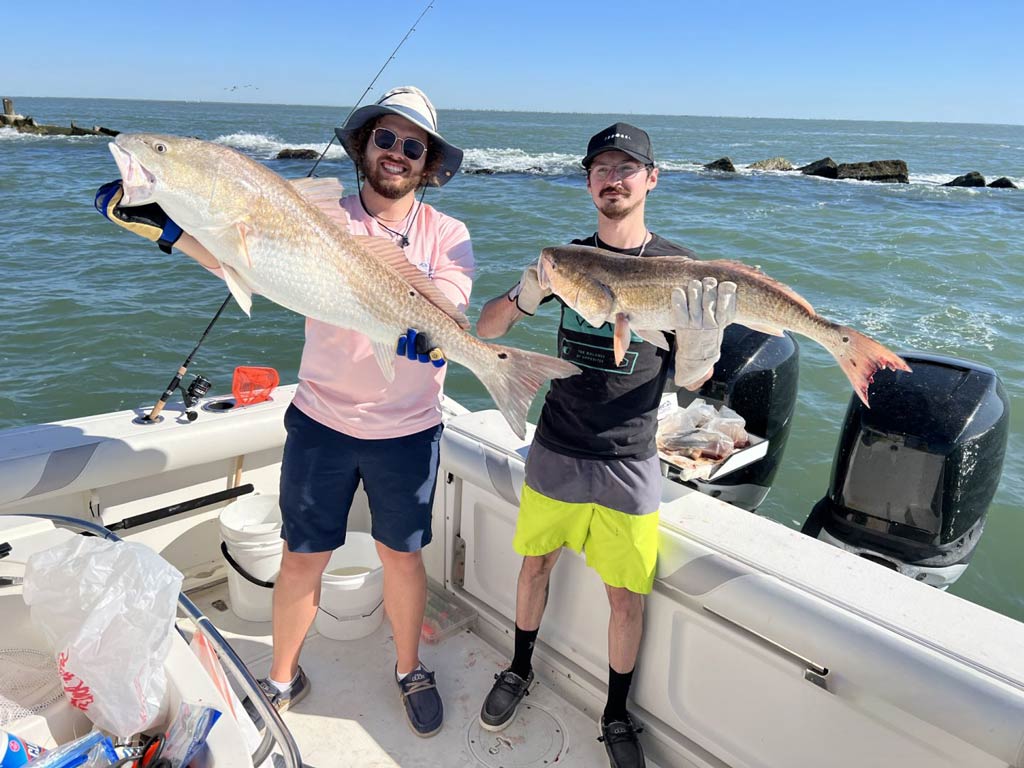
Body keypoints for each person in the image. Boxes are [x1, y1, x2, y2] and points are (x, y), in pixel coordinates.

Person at [95, 86, 473, 738]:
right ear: (363, 144)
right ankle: (280, 678)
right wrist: (170, 227)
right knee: (302, 556)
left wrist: (417, 338)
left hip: (407, 431)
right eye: (386, 138)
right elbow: (240, 258)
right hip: (321, 420)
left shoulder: (448, 234)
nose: (397, 153)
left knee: (402, 560)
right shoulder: (312, 210)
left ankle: (409, 670)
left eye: (413, 146)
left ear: (428, 161)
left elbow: (447, 318)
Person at [475, 123, 735, 768]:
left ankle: (615, 711)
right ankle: (519, 668)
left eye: (627, 168)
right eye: (601, 169)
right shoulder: (564, 259)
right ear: (588, 181)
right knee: (534, 567)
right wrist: (526, 291)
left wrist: (701, 342)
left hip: (630, 457)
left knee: (626, 594)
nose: (612, 179)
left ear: (651, 178)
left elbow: (696, 378)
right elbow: (486, 329)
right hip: (556, 445)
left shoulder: (682, 269)